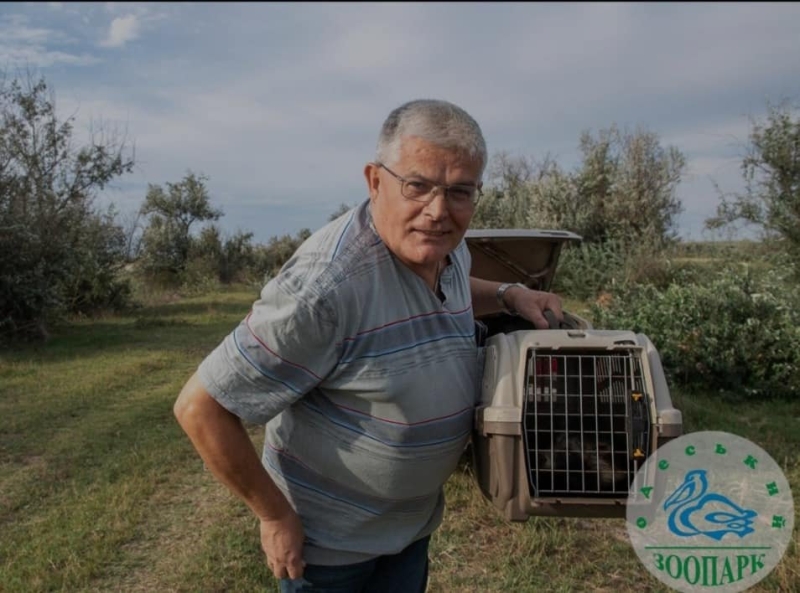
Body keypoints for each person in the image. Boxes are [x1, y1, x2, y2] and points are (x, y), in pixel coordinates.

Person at [173, 98, 564, 592]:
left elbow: (461, 282)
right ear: (375, 181)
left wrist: (511, 294)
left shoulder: (447, 245)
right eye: (417, 185)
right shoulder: (325, 291)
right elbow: (199, 409)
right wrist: (273, 516)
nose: (438, 211)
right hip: (330, 551)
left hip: (410, 530)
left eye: (460, 191)